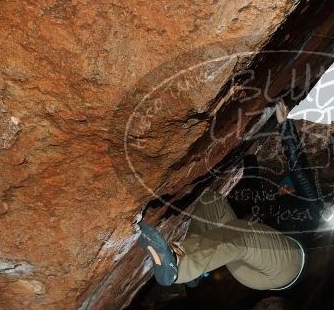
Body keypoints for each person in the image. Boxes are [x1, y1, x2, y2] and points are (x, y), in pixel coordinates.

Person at [138, 99, 323, 291]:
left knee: (245, 232)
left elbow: (301, 172)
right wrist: (249, 152)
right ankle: (196, 267)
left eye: (288, 188)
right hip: (249, 268)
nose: (282, 189)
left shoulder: (312, 205)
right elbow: (254, 186)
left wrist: (286, 127)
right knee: (211, 200)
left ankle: (178, 263)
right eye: (281, 186)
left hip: (288, 265)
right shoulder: (270, 209)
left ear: (296, 191)